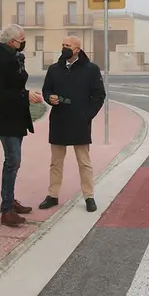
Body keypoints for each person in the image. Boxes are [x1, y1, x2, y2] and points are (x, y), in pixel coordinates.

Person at [0, 24, 43, 227]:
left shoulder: (15, 57)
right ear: (11, 41)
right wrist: (25, 95)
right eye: (21, 39)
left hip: (16, 116)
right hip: (5, 118)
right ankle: (6, 209)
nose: (24, 43)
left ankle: (9, 200)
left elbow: (16, 84)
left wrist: (25, 94)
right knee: (12, 161)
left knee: (13, 162)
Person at [38, 36, 106, 213]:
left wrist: (87, 115)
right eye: (62, 45)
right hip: (59, 120)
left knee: (84, 162)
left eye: (67, 46)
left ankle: (89, 196)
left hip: (80, 121)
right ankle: (52, 195)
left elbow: (99, 96)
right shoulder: (54, 69)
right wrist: (49, 98)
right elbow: (47, 90)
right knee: (55, 162)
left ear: (77, 49)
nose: (64, 48)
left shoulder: (91, 70)